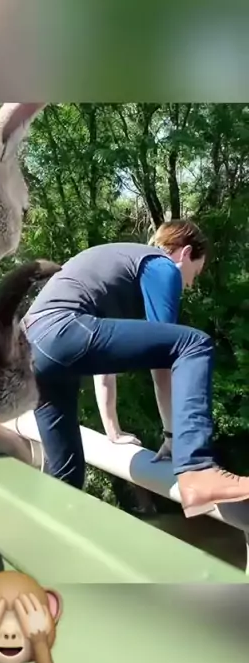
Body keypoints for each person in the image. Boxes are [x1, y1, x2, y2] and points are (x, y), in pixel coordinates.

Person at [22, 219, 249, 518]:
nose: (191, 284)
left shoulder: (118, 270)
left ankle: (43, 537)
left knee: (66, 476)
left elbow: (104, 360)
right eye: (195, 272)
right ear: (184, 253)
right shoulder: (161, 266)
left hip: (27, 348)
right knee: (194, 344)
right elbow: (165, 362)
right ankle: (198, 469)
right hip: (62, 330)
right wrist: (172, 436)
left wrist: (112, 430)